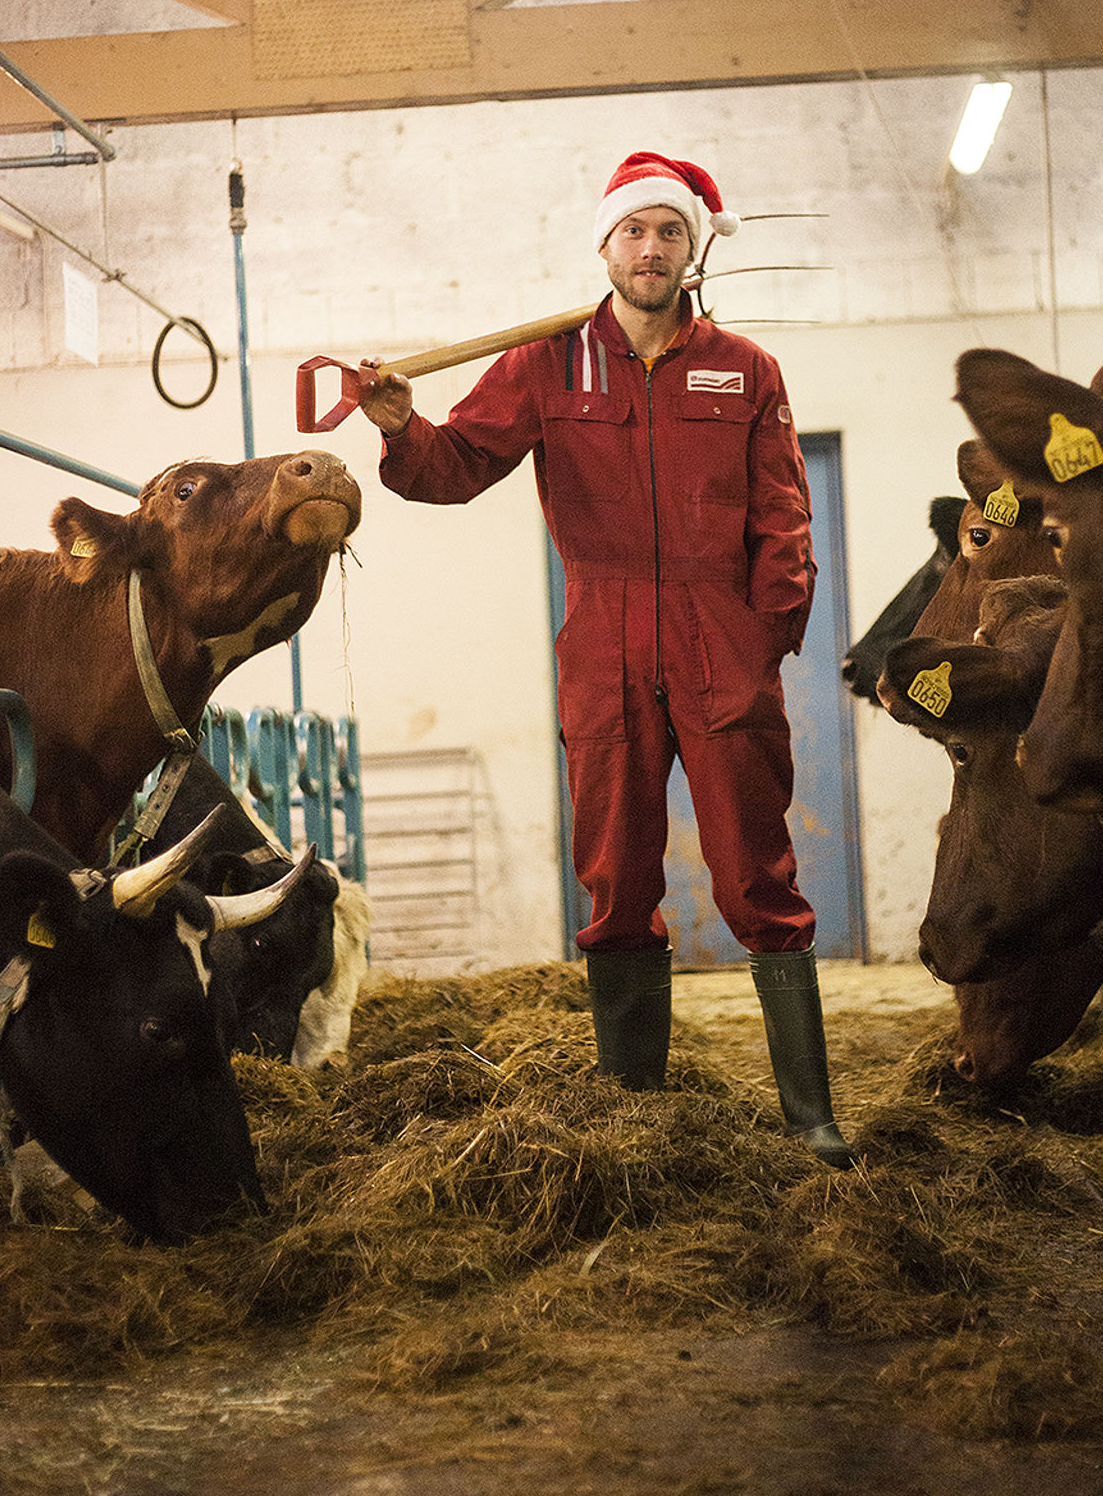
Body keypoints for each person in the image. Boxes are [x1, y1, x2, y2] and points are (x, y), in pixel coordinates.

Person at [359, 151, 853, 1167]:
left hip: (721, 643)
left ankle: (809, 1118)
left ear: (690, 249)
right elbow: (453, 471)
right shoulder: (545, 367)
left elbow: (783, 521)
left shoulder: (744, 370)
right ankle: (635, 1115)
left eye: (668, 232)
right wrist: (402, 427)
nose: (650, 249)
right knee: (616, 881)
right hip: (603, 642)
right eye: (634, 232)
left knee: (756, 879)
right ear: (605, 244)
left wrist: (764, 638)